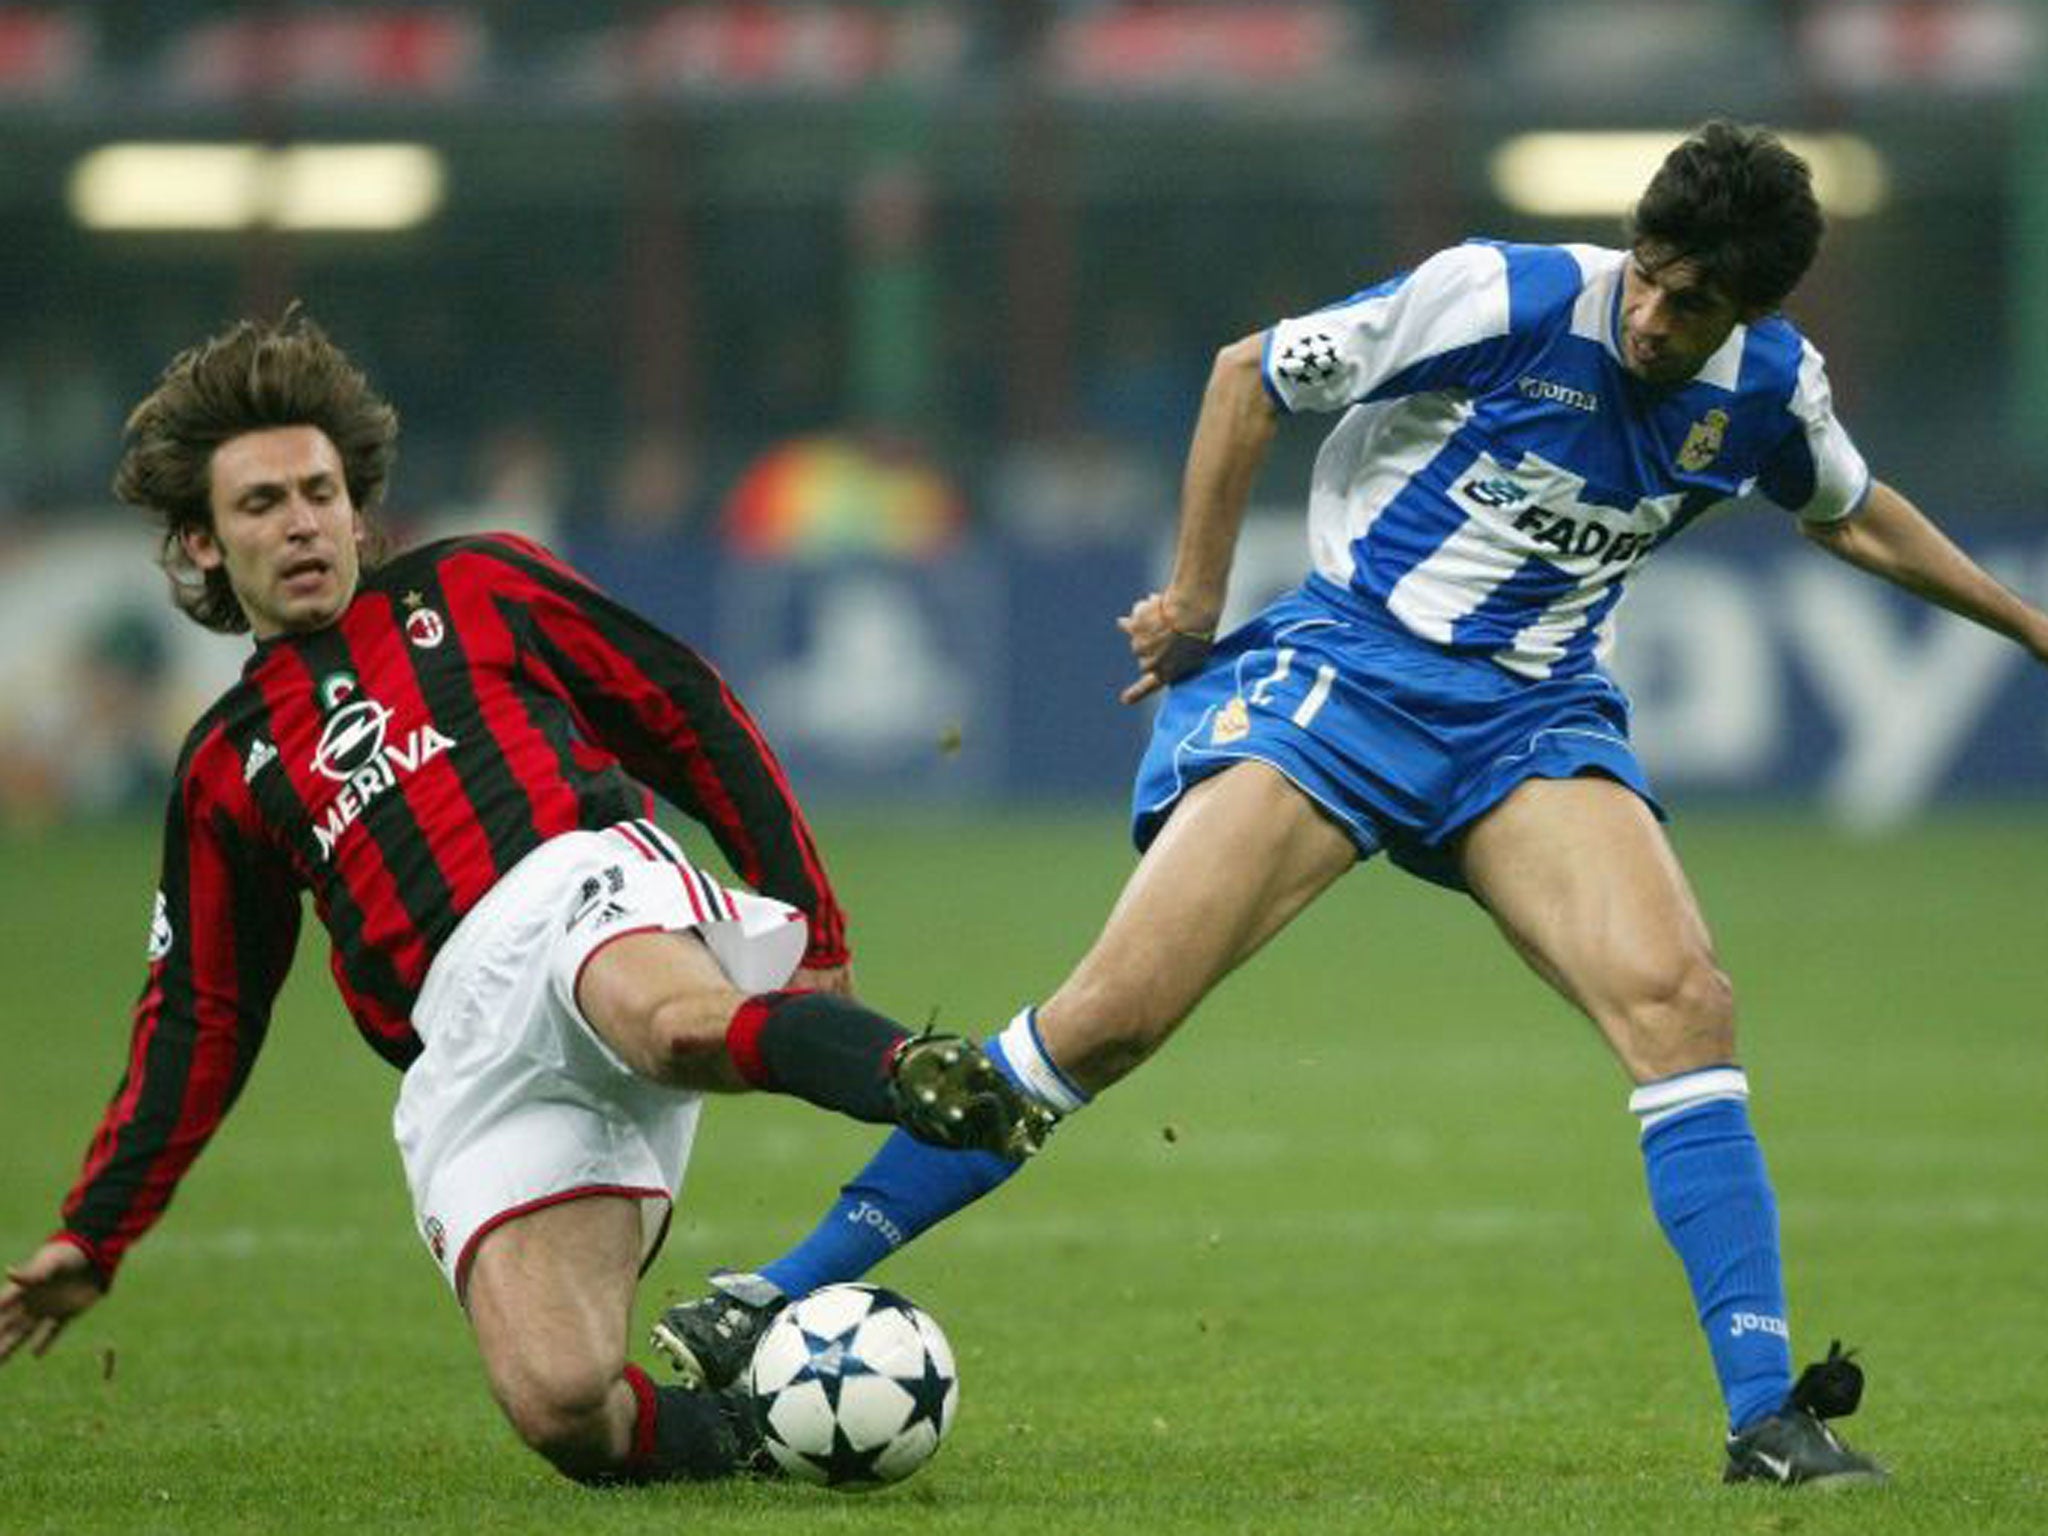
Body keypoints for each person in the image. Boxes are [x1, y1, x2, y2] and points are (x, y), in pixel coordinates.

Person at [650, 122, 2048, 1488]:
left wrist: (2030, 627)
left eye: (1698, 307)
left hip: (1532, 722)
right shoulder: (1506, 297)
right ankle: (768, 1291)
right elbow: (1244, 376)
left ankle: (1766, 1420)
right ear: (1637, 243)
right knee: (1111, 1021)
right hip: (1351, 679)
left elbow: (1855, 513)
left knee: (1685, 1003)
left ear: (1749, 312)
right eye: (1653, 276)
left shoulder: (1765, 392)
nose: (1657, 320)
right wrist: (1196, 604)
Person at [0, 310, 1051, 1485]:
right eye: (261, 505)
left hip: (575, 886)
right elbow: (200, 1017)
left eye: (320, 492)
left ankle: (910, 1077)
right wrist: (96, 1232)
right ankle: (763, 1441)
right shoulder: (221, 767)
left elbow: (681, 709)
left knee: (665, 1024)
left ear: (358, 505)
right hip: (467, 1050)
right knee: (561, 1405)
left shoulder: (475, 583)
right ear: (201, 543)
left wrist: (811, 918)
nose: (301, 522)